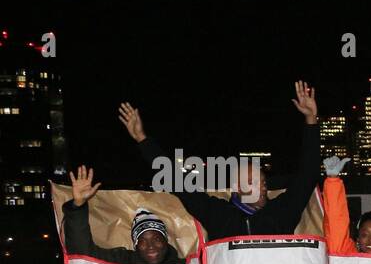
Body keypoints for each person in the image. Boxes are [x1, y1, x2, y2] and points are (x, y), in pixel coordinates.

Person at [118, 81, 321, 239]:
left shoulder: (282, 211)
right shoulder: (219, 215)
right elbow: (176, 181)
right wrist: (142, 139)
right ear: (236, 187)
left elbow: (309, 174)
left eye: (263, 182)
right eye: (251, 182)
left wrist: (311, 120)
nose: (262, 188)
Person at [60, 165, 182, 264]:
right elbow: (83, 254)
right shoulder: (122, 261)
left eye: (156, 239)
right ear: (136, 245)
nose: (150, 246)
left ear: (166, 240)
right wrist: (78, 206)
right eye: (143, 241)